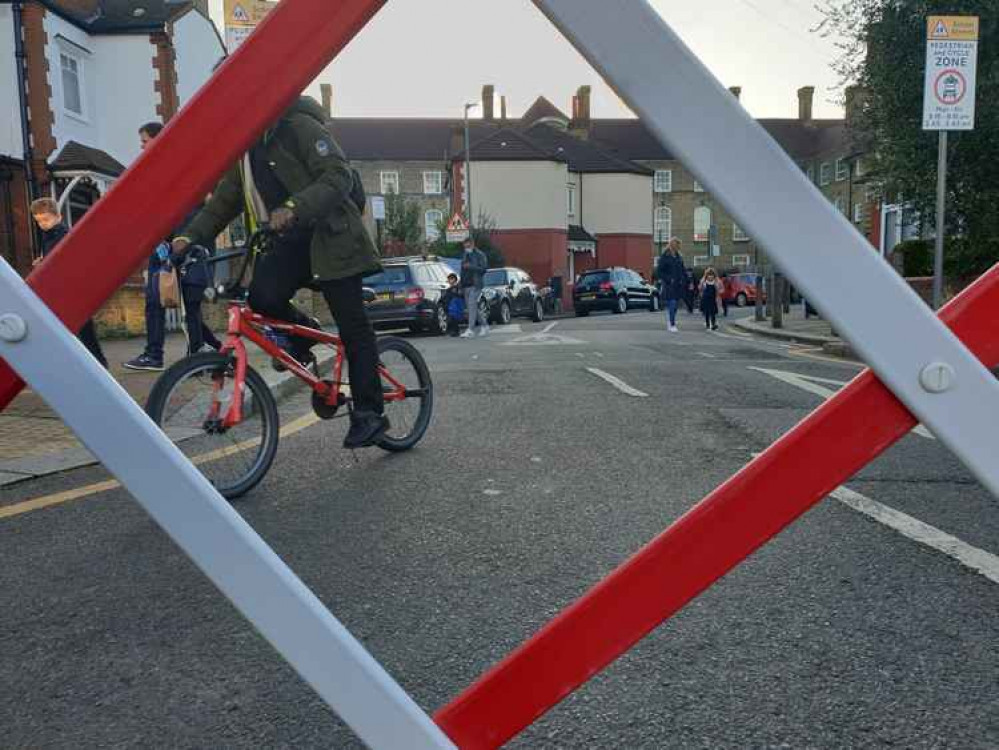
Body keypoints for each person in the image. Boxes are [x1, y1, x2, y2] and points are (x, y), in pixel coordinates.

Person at [172, 96, 387, 449]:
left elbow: (338, 175)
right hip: (288, 243)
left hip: (331, 238)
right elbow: (225, 201)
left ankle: (369, 414)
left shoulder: (298, 126)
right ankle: (304, 338)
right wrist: (188, 237)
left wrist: (292, 207)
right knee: (262, 298)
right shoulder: (246, 151)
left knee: (353, 326)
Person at [30, 198, 109, 368]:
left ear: (58, 216)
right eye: (38, 221)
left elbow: (66, 260)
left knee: (81, 326)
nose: (42, 224)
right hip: (63, 287)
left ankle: (96, 362)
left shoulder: (63, 234)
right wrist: (43, 261)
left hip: (71, 287)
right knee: (79, 326)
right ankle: (95, 361)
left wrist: (46, 263)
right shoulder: (49, 235)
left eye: (46, 219)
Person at [124, 122, 170, 372]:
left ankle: (154, 355)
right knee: (160, 301)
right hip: (158, 245)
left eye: (144, 140)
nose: (141, 145)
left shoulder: (165, 168)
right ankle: (210, 348)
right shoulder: (153, 167)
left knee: (160, 301)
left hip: (166, 245)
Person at [459, 237, 488, 338]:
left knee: (472, 305)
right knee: (472, 307)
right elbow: (462, 270)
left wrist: (470, 266)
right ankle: (484, 325)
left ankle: (470, 329)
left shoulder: (480, 254)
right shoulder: (465, 254)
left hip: (476, 285)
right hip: (466, 285)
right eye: (465, 246)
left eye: (468, 246)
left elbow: (484, 269)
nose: (466, 248)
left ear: (472, 244)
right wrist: (461, 284)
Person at [655, 237, 686, 332]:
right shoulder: (665, 257)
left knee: (676, 305)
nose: (677, 247)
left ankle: (671, 319)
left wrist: (685, 279)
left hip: (678, 285)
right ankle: (672, 324)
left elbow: (682, 270)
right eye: (675, 245)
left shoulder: (679, 257)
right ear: (671, 245)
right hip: (669, 285)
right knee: (672, 303)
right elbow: (658, 272)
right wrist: (668, 279)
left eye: (678, 245)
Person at [443, 272, 464, 337]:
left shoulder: (457, 288)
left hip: (455, 306)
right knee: (450, 319)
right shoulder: (448, 289)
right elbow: (446, 298)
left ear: (454, 279)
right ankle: (452, 331)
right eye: (448, 279)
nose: (449, 281)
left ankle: (455, 332)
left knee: (454, 319)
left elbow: (460, 296)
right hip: (450, 306)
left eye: (450, 279)